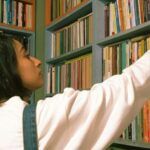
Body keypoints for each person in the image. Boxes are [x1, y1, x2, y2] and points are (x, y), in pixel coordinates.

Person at [0, 34, 149, 150]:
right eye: (26, 56)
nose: (37, 61)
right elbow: (124, 89)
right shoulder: (36, 120)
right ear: (7, 69)